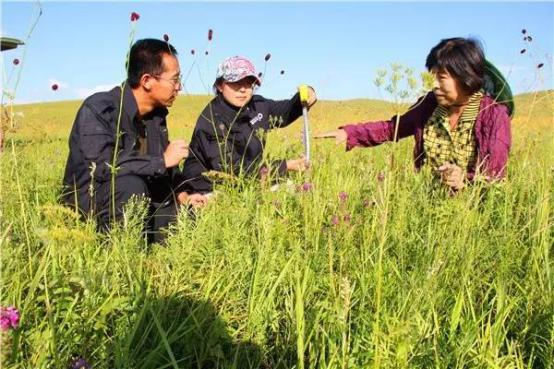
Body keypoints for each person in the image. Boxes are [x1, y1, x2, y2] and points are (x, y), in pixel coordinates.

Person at [315, 38, 512, 190]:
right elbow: (392, 128)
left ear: (465, 77)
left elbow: (494, 176)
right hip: (426, 206)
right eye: (433, 76)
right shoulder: (430, 106)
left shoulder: (493, 115)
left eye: (441, 77)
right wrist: (350, 133)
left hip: (469, 218)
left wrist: (463, 179)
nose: (434, 84)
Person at [62, 38, 207, 243]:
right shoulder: (100, 109)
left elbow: (163, 169)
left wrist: (182, 193)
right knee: (130, 185)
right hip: (92, 205)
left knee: (190, 217)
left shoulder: (155, 117)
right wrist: (161, 161)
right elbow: (101, 167)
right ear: (147, 80)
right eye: (174, 79)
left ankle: (148, 250)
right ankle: (119, 257)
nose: (179, 86)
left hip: (139, 203)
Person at [181, 55, 317, 194]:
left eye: (248, 83)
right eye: (235, 83)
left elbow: (286, 111)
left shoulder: (258, 105)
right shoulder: (210, 121)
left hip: (251, 181)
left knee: (299, 192)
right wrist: (285, 166)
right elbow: (232, 170)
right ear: (220, 86)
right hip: (210, 188)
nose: (243, 89)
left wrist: (303, 97)